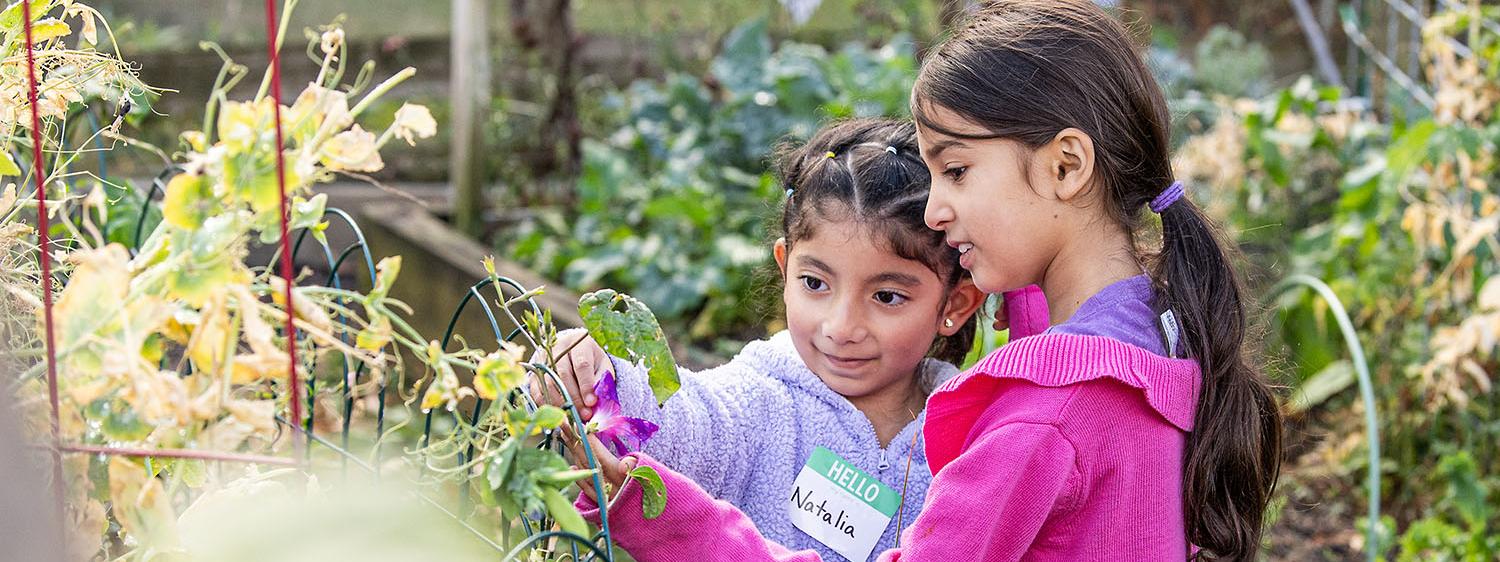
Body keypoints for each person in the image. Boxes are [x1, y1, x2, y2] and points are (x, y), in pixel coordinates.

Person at [566, 2, 1283, 561]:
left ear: (1067, 166)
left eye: (958, 171)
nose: (938, 210)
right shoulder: (1151, 339)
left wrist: (645, 506)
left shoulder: (1041, 417)